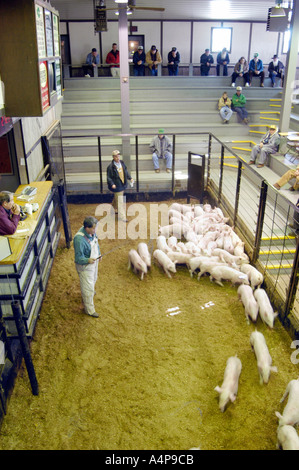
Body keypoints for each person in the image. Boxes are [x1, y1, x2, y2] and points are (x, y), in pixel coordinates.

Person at [74, 216, 101, 318]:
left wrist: (99, 253)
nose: (95, 230)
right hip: (85, 266)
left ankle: (88, 295)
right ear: (87, 228)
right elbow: (78, 258)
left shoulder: (92, 233)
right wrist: (87, 260)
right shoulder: (79, 239)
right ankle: (89, 310)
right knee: (88, 288)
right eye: (93, 228)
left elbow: (96, 243)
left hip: (94, 261)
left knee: (94, 279)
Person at [106, 150, 133, 222]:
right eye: (116, 156)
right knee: (120, 202)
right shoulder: (110, 167)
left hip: (122, 185)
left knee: (117, 199)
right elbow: (108, 177)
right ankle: (122, 217)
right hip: (117, 186)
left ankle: (112, 210)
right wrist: (112, 184)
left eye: (118, 156)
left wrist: (130, 178)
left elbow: (126, 172)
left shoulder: (122, 163)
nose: (117, 158)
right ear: (113, 157)